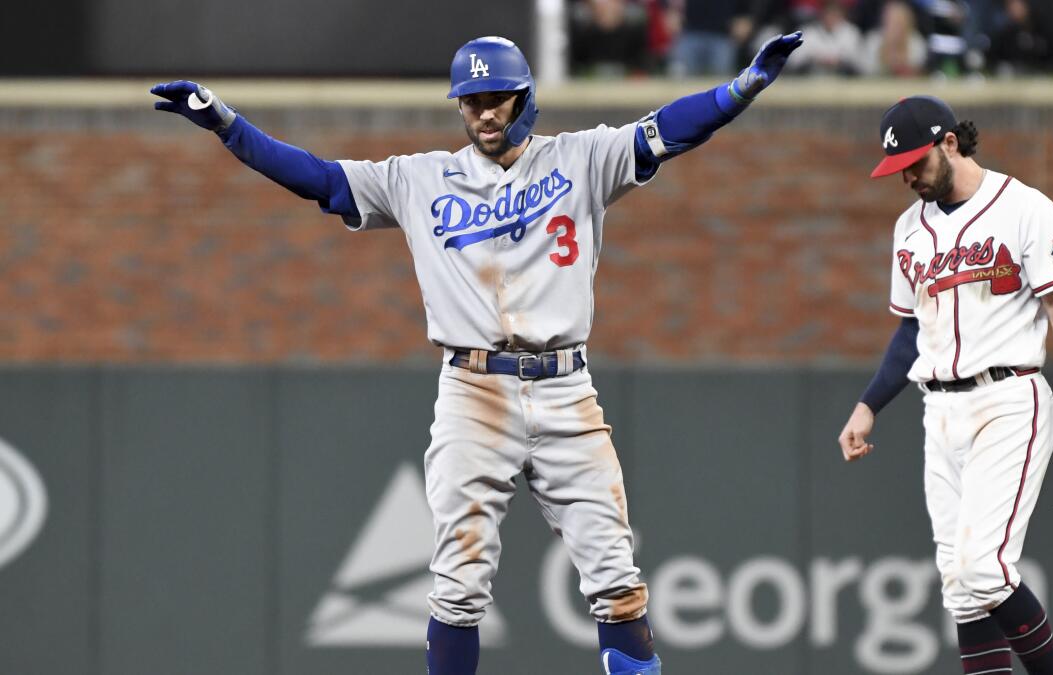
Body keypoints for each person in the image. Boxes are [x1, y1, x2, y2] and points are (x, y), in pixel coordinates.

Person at [151, 32, 803, 675]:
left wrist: (741, 87)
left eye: (498, 97)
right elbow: (318, 179)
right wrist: (225, 123)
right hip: (474, 389)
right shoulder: (418, 177)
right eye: (472, 100)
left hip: (564, 385)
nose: (486, 111)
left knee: (616, 577)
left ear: (526, 98)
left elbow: (667, 129)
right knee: (458, 588)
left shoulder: (580, 158)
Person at [837, 95, 1053, 675]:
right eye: (898, 171)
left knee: (983, 570)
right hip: (937, 412)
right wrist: (869, 405)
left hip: (1008, 400)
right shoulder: (908, 229)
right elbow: (910, 330)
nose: (909, 178)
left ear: (950, 143)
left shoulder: (1024, 207)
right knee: (960, 587)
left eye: (915, 164)